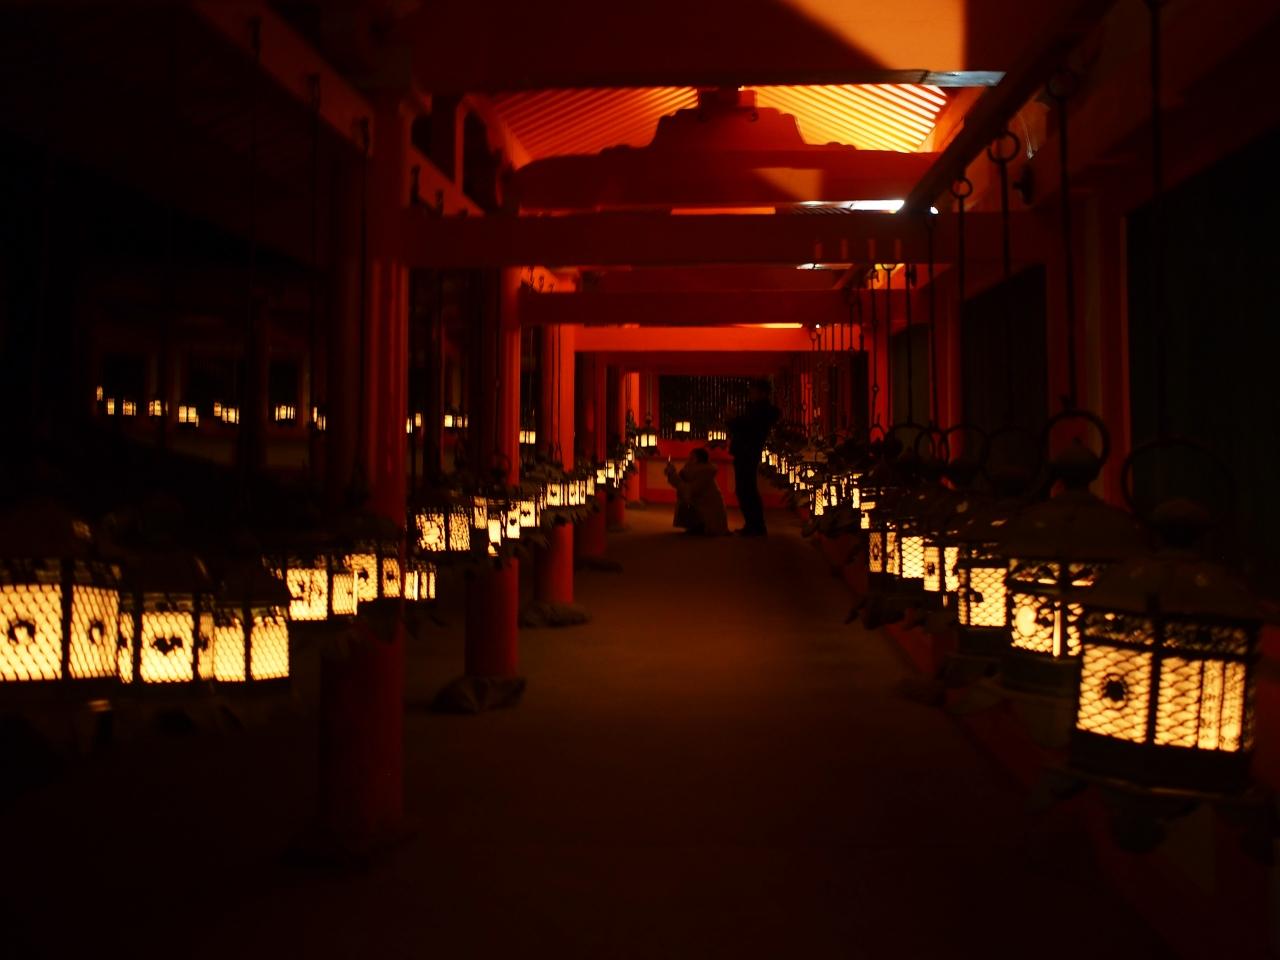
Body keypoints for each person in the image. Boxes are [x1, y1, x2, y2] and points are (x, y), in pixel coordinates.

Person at [727, 379, 780, 536]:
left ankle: (755, 526)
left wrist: (732, 419)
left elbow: (744, 427)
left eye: (753, 391)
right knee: (747, 489)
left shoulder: (760, 411)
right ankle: (753, 525)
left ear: (762, 393)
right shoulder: (760, 410)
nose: (750, 394)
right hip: (749, 452)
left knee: (746, 490)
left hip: (747, 452)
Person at [663, 448, 729, 536]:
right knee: (683, 502)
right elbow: (682, 485)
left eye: (691, 457)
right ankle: (696, 526)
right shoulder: (691, 470)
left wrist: (673, 475)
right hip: (701, 505)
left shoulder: (704, 472)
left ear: (697, 459)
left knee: (685, 502)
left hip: (709, 511)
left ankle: (700, 526)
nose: (688, 458)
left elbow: (689, 491)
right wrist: (671, 474)